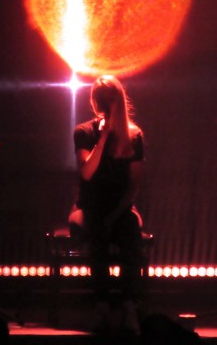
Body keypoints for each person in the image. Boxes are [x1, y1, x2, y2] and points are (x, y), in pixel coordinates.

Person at [68, 74, 146, 335]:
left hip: (121, 207)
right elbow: (87, 173)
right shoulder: (84, 132)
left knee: (129, 231)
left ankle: (128, 306)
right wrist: (101, 140)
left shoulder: (133, 136)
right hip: (89, 206)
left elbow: (133, 185)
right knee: (96, 230)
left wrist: (115, 215)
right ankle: (101, 306)